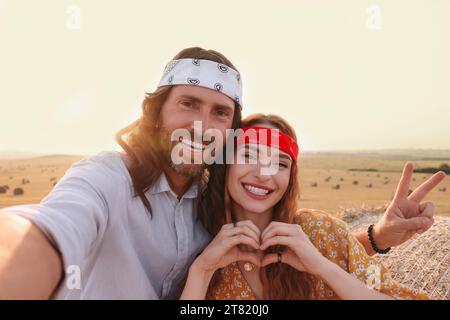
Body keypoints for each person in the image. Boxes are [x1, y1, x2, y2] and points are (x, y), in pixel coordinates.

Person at [0, 48, 445, 299]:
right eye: (187, 104)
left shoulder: (219, 212)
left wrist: (374, 238)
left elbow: (310, 246)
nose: (200, 125)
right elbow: (47, 228)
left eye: (218, 112)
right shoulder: (108, 180)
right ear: (155, 114)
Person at [180, 114, 445, 300]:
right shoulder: (200, 245)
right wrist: (201, 270)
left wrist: (322, 266)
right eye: (249, 156)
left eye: (281, 163)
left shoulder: (321, 231)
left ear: (291, 177)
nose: (264, 174)